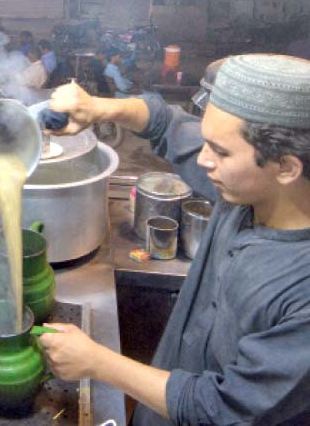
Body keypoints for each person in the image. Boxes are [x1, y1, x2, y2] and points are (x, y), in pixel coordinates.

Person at [38, 54, 310, 425]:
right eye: (207, 142)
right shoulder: (248, 190)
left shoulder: (300, 290)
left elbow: (224, 409)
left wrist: (97, 362)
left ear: (287, 167)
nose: (203, 160)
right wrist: (95, 107)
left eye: (221, 151)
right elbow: (165, 123)